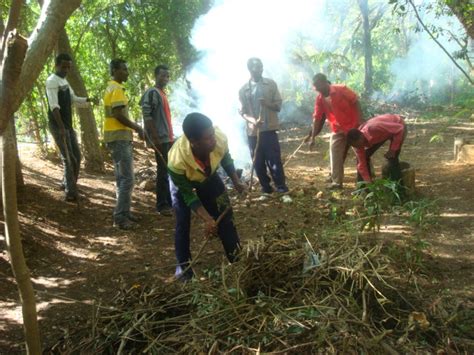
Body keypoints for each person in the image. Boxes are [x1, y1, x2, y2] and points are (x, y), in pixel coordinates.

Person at [167, 112, 246, 281]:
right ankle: (184, 269)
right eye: (208, 138)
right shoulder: (177, 161)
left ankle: (237, 258)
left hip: (209, 177)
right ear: (194, 142)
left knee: (226, 213)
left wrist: (236, 180)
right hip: (184, 184)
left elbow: (225, 157)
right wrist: (207, 219)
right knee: (182, 223)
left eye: (212, 134)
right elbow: (188, 195)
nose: (213, 139)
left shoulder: (218, 137)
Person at [45, 53, 96, 202]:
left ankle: (68, 183)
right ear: (56, 65)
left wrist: (88, 100)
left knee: (77, 157)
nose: (66, 69)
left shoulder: (64, 81)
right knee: (68, 158)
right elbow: (54, 106)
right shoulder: (52, 81)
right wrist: (61, 128)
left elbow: (73, 99)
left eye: (69, 67)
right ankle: (70, 192)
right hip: (58, 125)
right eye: (64, 66)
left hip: (68, 126)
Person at [103, 59, 144, 230]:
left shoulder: (110, 87)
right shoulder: (117, 89)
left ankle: (124, 213)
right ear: (114, 71)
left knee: (121, 178)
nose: (127, 73)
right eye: (124, 70)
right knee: (127, 178)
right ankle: (120, 217)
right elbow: (118, 114)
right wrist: (137, 127)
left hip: (113, 137)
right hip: (119, 137)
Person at [238, 57, 288, 194]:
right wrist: (253, 121)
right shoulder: (243, 90)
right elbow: (242, 112)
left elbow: (278, 106)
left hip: (269, 130)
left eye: (261, 67)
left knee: (274, 160)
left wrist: (266, 104)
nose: (259, 69)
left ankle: (281, 188)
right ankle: (266, 188)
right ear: (250, 69)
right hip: (253, 132)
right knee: (258, 162)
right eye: (256, 67)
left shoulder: (271, 85)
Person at [306, 73, 363, 189]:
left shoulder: (341, 89)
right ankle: (337, 182)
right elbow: (317, 118)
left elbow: (356, 101)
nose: (316, 89)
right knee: (335, 153)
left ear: (324, 82)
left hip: (353, 126)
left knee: (360, 151)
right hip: (337, 129)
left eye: (317, 86)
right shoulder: (320, 98)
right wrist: (312, 137)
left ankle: (367, 177)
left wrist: (360, 122)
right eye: (315, 87)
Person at [140, 64, 174, 216]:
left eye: (167, 76)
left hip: (167, 138)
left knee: (167, 169)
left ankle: (169, 201)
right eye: (162, 75)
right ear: (156, 76)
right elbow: (147, 116)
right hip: (160, 138)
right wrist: (155, 138)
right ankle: (162, 205)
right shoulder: (152, 92)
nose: (165, 78)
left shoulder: (162, 93)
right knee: (162, 171)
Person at [347, 114, 407, 183]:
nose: (360, 148)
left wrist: (393, 150)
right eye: (356, 146)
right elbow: (362, 165)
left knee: (392, 158)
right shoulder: (357, 145)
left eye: (360, 145)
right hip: (384, 133)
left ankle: (398, 188)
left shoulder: (374, 128)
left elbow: (399, 128)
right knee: (365, 156)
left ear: (361, 136)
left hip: (398, 125)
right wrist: (368, 182)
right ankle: (364, 187)